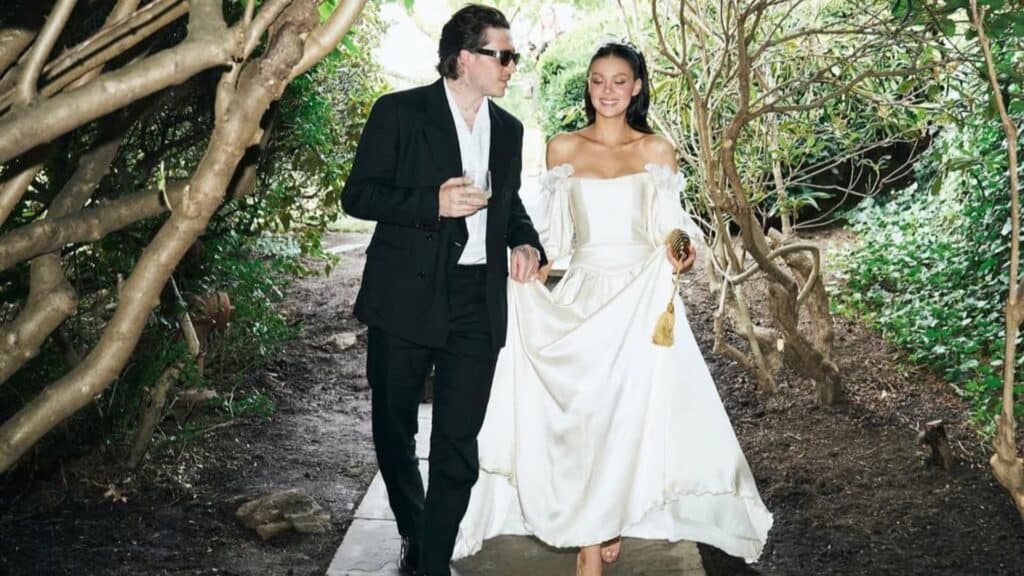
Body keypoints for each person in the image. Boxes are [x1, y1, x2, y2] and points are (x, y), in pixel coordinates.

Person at [451, 42, 773, 575]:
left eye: (619, 81)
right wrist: (528, 259)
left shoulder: (657, 152)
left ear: (637, 87)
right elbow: (554, 236)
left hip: (641, 300)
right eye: (598, 80)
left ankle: (598, 534)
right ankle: (591, 532)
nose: (607, 90)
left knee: (627, 418)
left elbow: (669, 227)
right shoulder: (562, 149)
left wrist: (681, 248)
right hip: (584, 296)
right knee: (586, 419)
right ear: (588, 86)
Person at [340, 5, 545, 576]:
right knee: (394, 427)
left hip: (478, 300)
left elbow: (510, 204)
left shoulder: (509, 129)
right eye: (501, 55)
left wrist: (526, 244)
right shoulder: (400, 113)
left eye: (513, 56)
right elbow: (358, 196)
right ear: (463, 58)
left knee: (458, 445)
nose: (510, 66)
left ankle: (430, 563)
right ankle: (414, 528)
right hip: (405, 295)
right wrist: (431, 203)